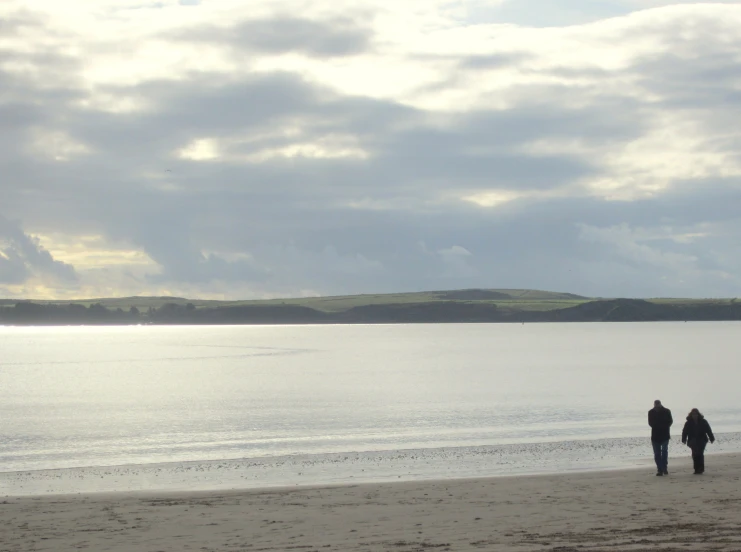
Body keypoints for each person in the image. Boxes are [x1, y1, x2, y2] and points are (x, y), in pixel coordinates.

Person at [682, 408, 715, 474]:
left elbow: (708, 430)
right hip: (692, 440)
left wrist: (711, 438)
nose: (694, 416)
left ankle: (701, 468)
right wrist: (684, 439)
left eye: (696, 414)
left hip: (702, 439)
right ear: (691, 415)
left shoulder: (703, 421)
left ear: (698, 414)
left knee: (700, 453)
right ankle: (696, 469)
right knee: (695, 454)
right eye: (693, 414)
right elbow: (684, 431)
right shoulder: (688, 423)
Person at [648, 400, 673, 476]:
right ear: (654, 405)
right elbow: (650, 423)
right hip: (655, 436)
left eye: (658, 406)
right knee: (657, 453)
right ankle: (660, 469)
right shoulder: (651, 412)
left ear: (660, 405)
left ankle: (664, 467)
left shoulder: (667, 411)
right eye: (656, 406)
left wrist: (664, 426)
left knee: (664, 452)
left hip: (665, 435)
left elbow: (670, 421)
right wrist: (657, 426)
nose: (657, 407)